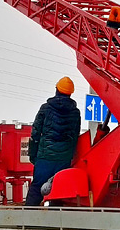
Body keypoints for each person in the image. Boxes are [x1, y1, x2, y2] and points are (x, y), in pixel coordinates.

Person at [26, 77, 81, 206]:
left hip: (45, 156)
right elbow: (75, 135)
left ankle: (26, 219)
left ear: (57, 89)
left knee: (37, 188)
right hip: (63, 159)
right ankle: (55, 222)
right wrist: (70, 156)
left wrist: (33, 155)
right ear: (70, 93)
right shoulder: (75, 112)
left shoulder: (46, 109)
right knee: (58, 190)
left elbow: (35, 133)